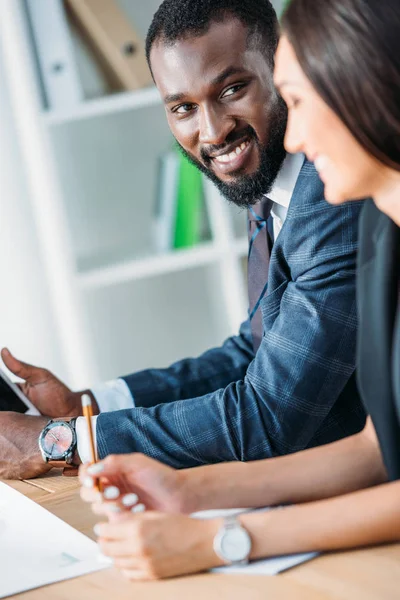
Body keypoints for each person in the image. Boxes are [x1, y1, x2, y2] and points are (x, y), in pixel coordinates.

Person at [79, 0, 400, 582]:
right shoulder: (382, 234)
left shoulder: (344, 216)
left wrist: (222, 539)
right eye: (182, 106)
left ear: (369, 88)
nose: (295, 133)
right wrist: (183, 490)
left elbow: (276, 416)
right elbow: (379, 451)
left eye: (299, 99)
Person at [0, 0, 364, 479]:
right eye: (183, 108)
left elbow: (267, 417)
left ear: (283, 69)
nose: (212, 131)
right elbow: (253, 351)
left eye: (232, 89)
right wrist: (88, 405)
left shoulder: (330, 194)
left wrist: (60, 441)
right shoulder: (271, 186)